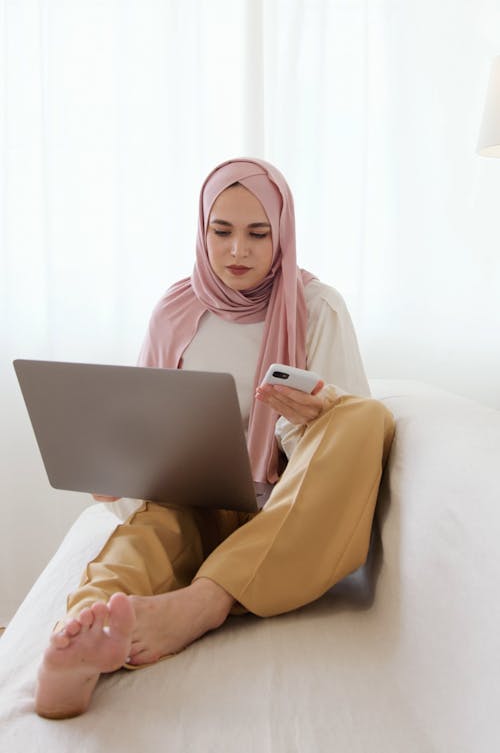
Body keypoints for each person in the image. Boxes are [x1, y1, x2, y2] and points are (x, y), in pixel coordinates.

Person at [35, 158, 395, 719]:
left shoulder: (317, 307)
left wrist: (312, 416)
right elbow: (141, 425)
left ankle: (201, 604)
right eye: (221, 231)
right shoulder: (175, 310)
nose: (237, 252)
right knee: (148, 534)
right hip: (194, 500)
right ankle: (80, 640)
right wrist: (115, 474)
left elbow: (342, 457)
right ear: (201, 230)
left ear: (284, 233)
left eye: (258, 234)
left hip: (284, 512)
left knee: (364, 417)